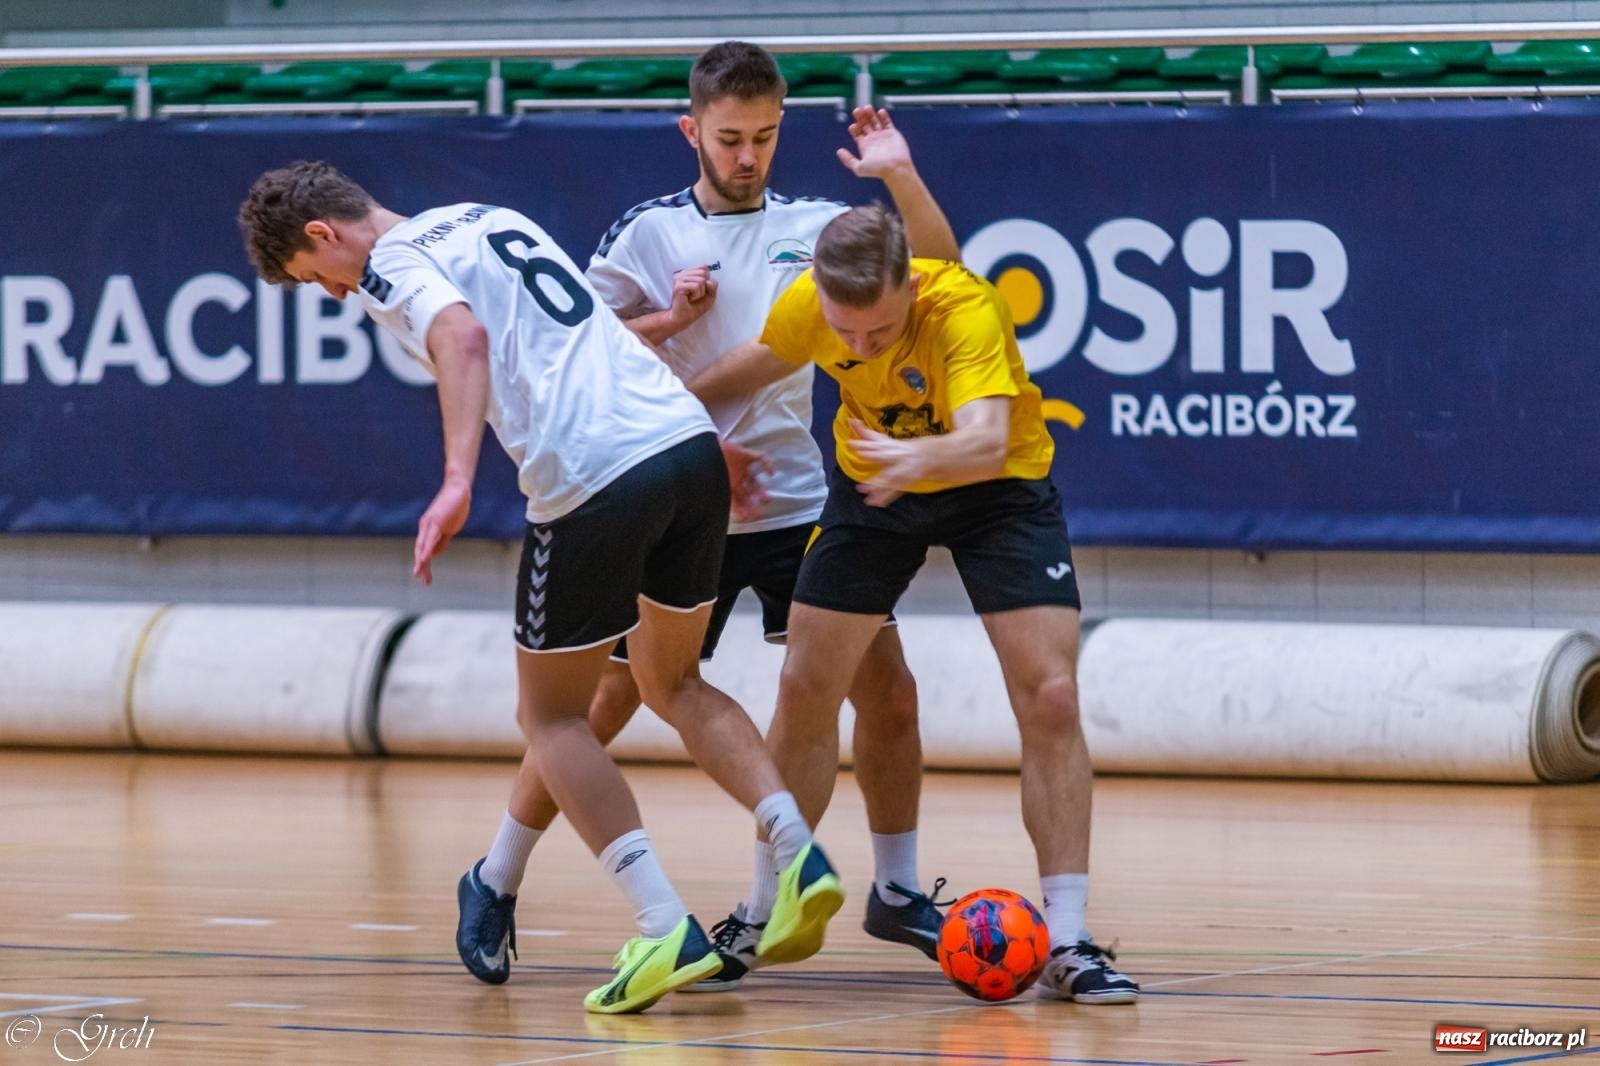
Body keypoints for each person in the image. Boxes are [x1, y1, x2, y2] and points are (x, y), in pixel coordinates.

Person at [236, 161, 844, 1013]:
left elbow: (464, 340)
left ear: (322, 237)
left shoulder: (392, 263)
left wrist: (454, 481)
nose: (335, 295)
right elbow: (592, 331)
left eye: (317, 281)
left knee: (552, 717)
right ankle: (796, 850)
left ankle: (663, 921)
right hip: (685, 443)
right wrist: (672, 336)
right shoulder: (485, 211)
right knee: (672, 682)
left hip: (592, 474)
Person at [455, 41, 962, 992]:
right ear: (692, 130)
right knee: (600, 706)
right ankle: (494, 875)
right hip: (670, 498)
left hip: (792, 499)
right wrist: (670, 325)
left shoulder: (819, 224)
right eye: (730, 138)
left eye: (765, 137)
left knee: (885, 691)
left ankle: (883, 892)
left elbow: (937, 277)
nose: (748, 156)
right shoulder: (645, 235)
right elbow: (570, 354)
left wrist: (901, 176)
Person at [687, 204, 1142, 1004]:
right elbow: (760, 359)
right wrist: (667, 415)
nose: (861, 348)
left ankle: (1068, 942)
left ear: (911, 287)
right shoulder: (809, 304)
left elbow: (985, 440)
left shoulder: (961, 303)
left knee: (1053, 694)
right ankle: (761, 911)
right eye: (846, 334)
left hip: (996, 491)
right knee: (803, 686)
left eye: (881, 331)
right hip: (875, 493)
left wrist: (912, 457)